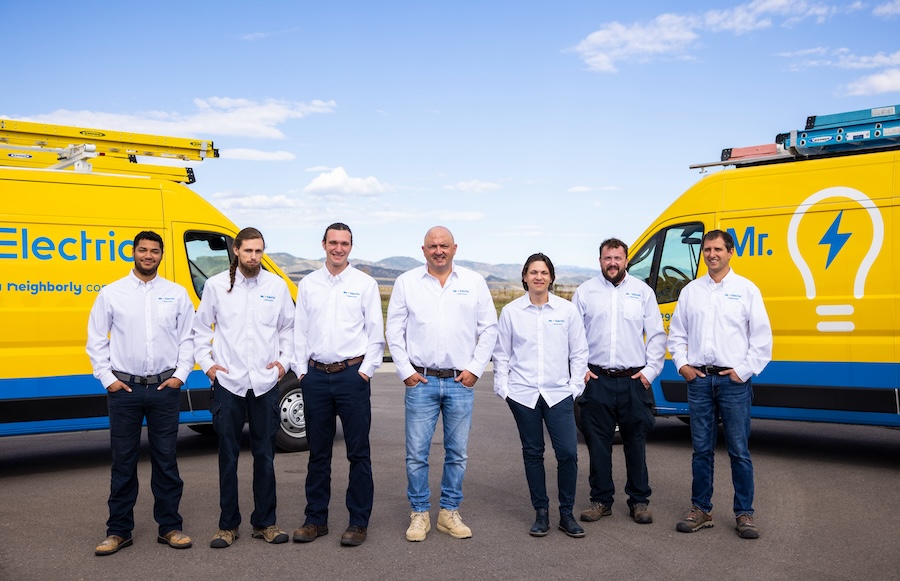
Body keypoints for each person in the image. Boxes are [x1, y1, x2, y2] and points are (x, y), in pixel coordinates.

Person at [386, 226, 498, 542]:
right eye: (432, 246)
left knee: (457, 452)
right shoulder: (406, 283)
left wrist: (476, 368)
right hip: (420, 381)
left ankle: (449, 513)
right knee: (416, 453)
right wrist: (405, 370)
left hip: (460, 382)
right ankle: (419, 514)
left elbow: (489, 329)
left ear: (454, 248)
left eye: (444, 245)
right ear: (423, 250)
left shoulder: (474, 283)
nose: (439, 250)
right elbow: (394, 331)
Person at [86, 231, 195, 556]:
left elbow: (188, 337)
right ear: (133, 252)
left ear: (162, 255)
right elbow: (96, 339)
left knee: (166, 461)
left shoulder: (176, 294)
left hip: (164, 390)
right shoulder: (112, 293)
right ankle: (118, 531)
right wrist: (108, 379)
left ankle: (170, 528)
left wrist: (180, 376)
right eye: (143, 250)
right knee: (123, 463)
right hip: (124, 391)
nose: (148, 255)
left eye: (154, 251)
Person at [193, 227, 295, 548]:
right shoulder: (216, 286)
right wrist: (209, 366)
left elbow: (289, 329)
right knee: (228, 455)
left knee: (265, 455)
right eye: (248, 250)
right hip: (229, 383)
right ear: (235, 250)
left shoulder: (276, 287)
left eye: (259, 251)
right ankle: (228, 525)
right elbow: (199, 331)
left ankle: (265, 522)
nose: (254, 256)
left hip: (265, 384)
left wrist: (283, 363)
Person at [667, 229, 772, 539]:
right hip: (698, 380)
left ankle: (744, 514)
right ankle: (701, 509)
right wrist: (683, 365)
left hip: (733, 382)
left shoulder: (747, 289)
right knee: (701, 450)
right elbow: (677, 333)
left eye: (718, 249)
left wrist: (743, 371)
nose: (712, 254)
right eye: (707, 249)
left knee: (739, 450)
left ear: (730, 252)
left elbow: (762, 338)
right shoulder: (691, 291)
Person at [291, 223, 384, 547]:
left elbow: (375, 335)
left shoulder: (365, 284)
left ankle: (358, 522)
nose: (338, 248)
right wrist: (302, 372)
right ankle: (315, 520)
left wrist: (365, 372)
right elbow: (298, 332)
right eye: (333, 242)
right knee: (318, 453)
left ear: (351, 247)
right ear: (323, 244)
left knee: (358, 453)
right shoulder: (309, 284)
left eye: (344, 243)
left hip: (351, 376)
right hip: (316, 378)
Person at [492, 253, 589, 538]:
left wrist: (574, 388)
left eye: (544, 272)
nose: (538, 277)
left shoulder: (566, 311)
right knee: (533, 454)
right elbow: (502, 354)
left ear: (551, 277)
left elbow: (579, 352)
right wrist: (504, 389)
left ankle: (567, 514)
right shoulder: (511, 312)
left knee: (568, 453)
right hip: (523, 396)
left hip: (559, 394)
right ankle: (541, 513)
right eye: (533, 272)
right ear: (524, 277)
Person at [572, 238, 666, 526]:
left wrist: (649, 374)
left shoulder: (643, 292)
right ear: (599, 260)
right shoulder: (585, 292)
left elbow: (657, 335)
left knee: (635, 443)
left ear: (626, 260)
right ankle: (601, 500)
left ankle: (639, 501)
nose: (612, 263)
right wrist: (580, 373)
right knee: (598, 444)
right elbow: (572, 337)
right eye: (607, 258)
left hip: (633, 381)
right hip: (596, 379)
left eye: (617, 258)